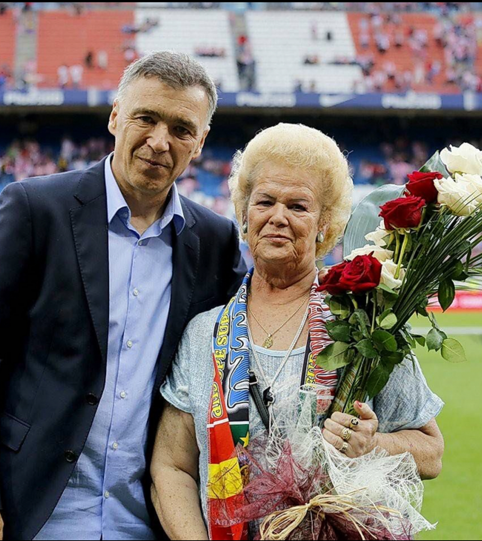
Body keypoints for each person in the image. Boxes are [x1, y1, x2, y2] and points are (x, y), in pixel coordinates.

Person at [0, 52, 247, 540]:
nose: (160, 141)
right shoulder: (32, 209)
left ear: (201, 142)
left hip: (151, 518)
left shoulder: (215, 242)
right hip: (32, 510)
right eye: (146, 118)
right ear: (115, 116)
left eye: (182, 129)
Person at [151, 123, 445, 539]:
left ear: (326, 222)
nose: (278, 217)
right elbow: (172, 466)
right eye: (265, 201)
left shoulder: (365, 321)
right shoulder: (205, 333)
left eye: (299, 206)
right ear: (243, 213)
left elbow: (431, 453)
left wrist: (372, 445)